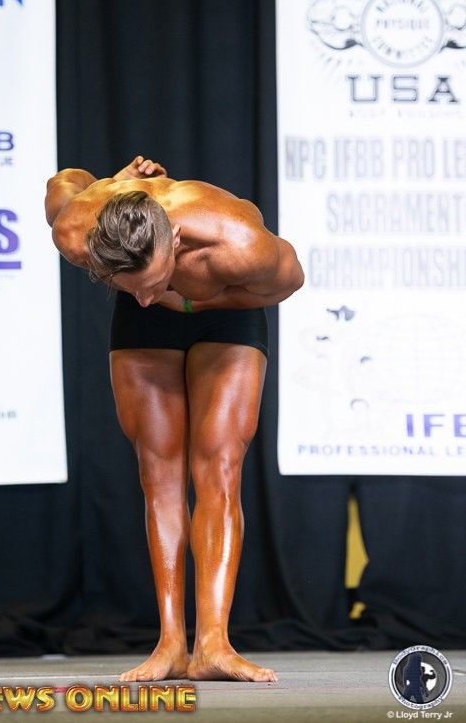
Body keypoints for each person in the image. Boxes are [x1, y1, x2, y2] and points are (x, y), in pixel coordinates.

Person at [45, 156, 304, 682]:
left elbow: (291, 280)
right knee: (158, 474)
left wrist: (194, 302)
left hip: (226, 311)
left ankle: (214, 645)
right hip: (147, 331)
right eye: (129, 286)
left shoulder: (235, 240)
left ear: (178, 241)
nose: (143, 296)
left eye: (151, 281)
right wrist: (115, 185)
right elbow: (64, 184)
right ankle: (170, 644)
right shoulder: (81, 231)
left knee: (220, 469)